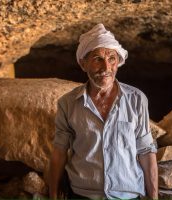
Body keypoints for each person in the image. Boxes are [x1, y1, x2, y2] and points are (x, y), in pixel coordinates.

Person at [48, 24, 158, 199]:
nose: (106, 67)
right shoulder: (67, 104)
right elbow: (59, 152)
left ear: (118, 62)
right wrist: (53, 195)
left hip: (128, 195)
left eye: (112, 58)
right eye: (97, 59)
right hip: (83, 195)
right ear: (83, 64)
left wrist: (154, 198)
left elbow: (146, 151)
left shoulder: (137, 99)